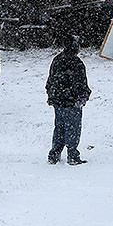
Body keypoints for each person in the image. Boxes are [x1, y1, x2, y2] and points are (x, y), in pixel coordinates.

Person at [46, 35, 91, 165]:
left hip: (58, 100)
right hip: (72, 101)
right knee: (73, 127)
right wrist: (84, 96)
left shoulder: (57, 60)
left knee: (59, 127)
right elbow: (81, 84)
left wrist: (51, 95)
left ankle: (54, 154)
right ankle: (72, 155)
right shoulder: (77, 63)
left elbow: (51, 80)